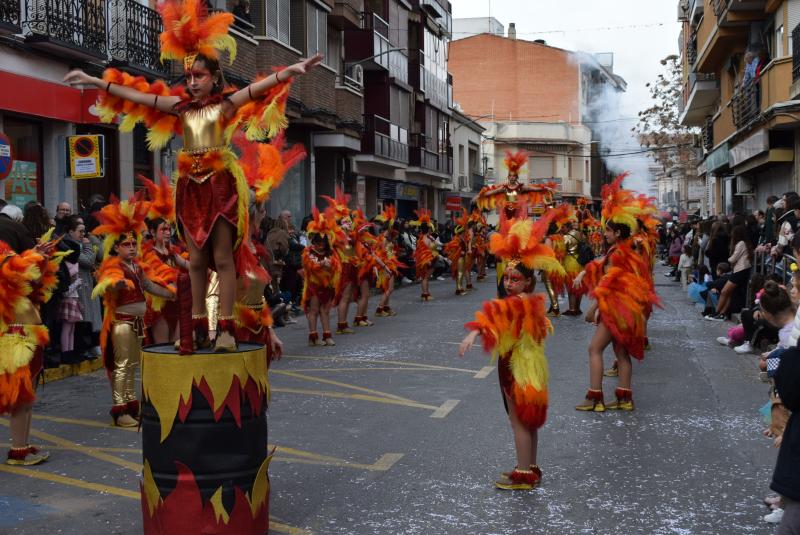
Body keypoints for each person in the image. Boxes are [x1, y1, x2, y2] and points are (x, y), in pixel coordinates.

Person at [64, 0, 322, 352]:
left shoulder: (224, 105)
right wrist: (96, 80)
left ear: (214, 77)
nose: (192, 82)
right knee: (197, 260)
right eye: (188, 77)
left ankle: (226, 329)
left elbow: (256, 90)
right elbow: (139, 96)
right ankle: (199, 327)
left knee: (222, 257)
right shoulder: (181, 107)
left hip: (219, 186)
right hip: (189, 188)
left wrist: (292, 70)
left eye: (199, 76)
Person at [459, 210, 564, 490]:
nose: (508, 283)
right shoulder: (532, 300)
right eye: (506, 278)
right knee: (528, 422)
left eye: (514, 279)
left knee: (518, 422)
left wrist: (472, 333)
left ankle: (523, 474)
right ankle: (530, 467)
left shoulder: (516, 302)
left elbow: (491, 319)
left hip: (514, 368)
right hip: (531, 366)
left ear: (527, 281)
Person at [573, 176, 660, 412]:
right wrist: (586, 273)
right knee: (621, 353)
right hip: (627, 311)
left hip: (614, 309)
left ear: (618, 233)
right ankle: (624, 398)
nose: (605, 233)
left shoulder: (617, 254)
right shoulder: (624, 250)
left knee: (594, 350)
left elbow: (609, 285)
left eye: (609, 230)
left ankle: (595, 397)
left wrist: (593, 309)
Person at [91, 196, 176, 427]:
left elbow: (149, 286)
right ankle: (120, 411)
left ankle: (130, 405)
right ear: (116, 247)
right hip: (122, 323)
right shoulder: (112, 266)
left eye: (133, 244)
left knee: (132, 366)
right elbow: (104, 283)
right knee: (122, 366)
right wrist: (114, 285)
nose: (131, 248)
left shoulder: (137, 266)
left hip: (138, 322)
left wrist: (171, 293)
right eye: (126, 245)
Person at [0, 222, 61, 465]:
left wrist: (40, 256)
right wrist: (35, 254)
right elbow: (16, 270)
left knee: (26, 397)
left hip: (27, 334)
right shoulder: (5, 257)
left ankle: (21, 446)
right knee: (21, 397)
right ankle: (17, 447)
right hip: (16, 337)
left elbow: (35, 280)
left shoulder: (13, 257)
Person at [302, 208, 342, 346]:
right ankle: (313, 337)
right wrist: (321, 264)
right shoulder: (308, 252)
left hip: (328, 286)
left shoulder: (330, 252)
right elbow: (309, 266)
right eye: (318, 243)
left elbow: (337, 266)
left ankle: (327, 335)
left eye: (323, 243)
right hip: (314, 286)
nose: (320, 246)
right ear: (313, 241)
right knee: (313, 310)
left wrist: (330, 264)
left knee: (325, 310)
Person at [706, 225, 753, 321]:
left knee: (724, 291)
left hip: (740, 271)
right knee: (729, 293)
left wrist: (727, 259)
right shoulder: (743, 243)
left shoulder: (740, 243)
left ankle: (717, 313)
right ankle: (722, 313)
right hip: (740, 270)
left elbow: (733, 258)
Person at [412, 209, 439, 301]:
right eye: (430, 228)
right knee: (425, 278)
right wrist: (430, 260)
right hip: (428, 260)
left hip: (424, 260)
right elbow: (428, 250)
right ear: (428, 229)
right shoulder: (426, 239)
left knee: (425, 277)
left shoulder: (421, 238)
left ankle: (426, 293)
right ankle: (425, 294)